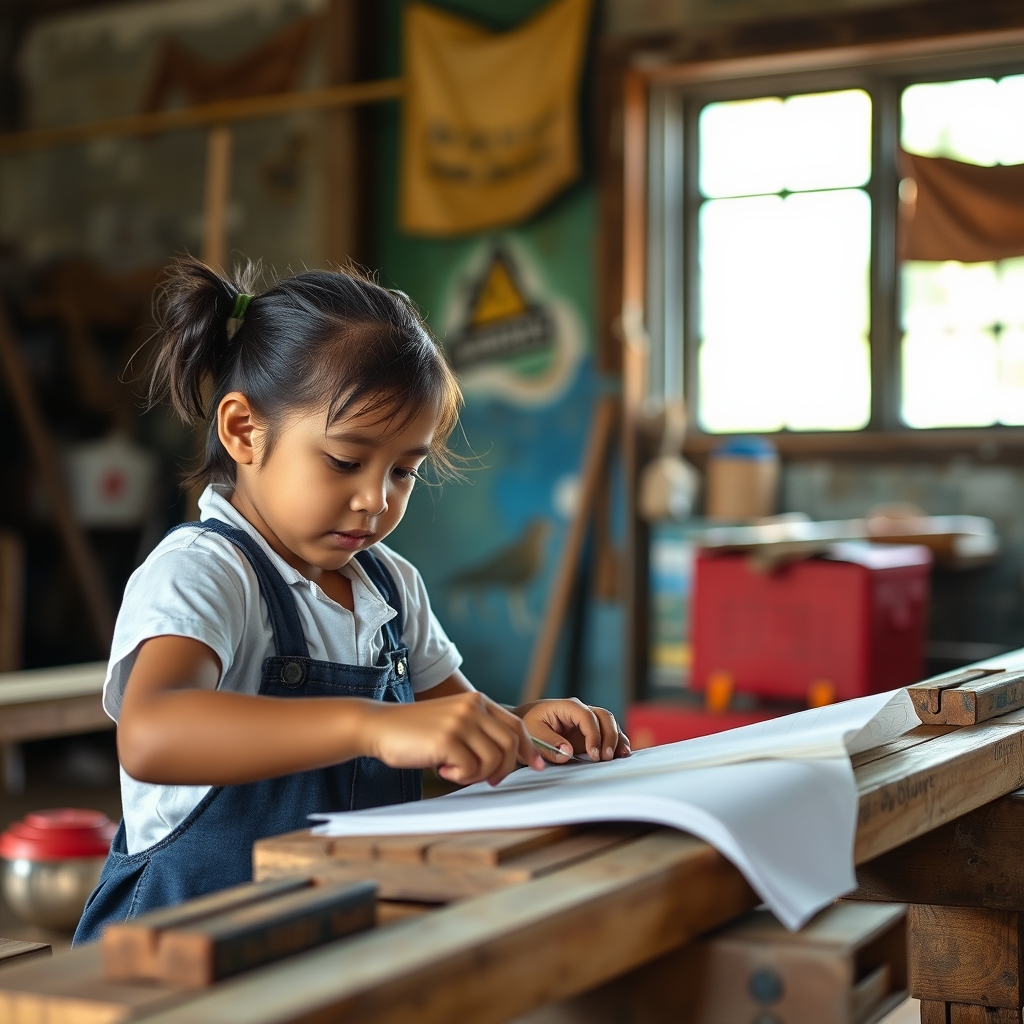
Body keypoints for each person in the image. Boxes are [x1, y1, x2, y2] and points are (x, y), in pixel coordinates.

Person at [74, 258, 630, 943]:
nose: (376, 500)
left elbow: (448, 732)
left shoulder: (391, 586)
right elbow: (153, 735)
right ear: (244, 431)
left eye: (403, 471)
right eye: (344, 461)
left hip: (332, 935)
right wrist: (371, 725)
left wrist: (520, 730)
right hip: (174, 952)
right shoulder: (204, 571)